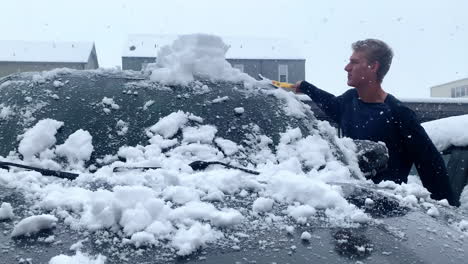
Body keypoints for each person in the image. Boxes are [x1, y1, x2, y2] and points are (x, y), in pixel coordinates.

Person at [293, 39, 458, 206]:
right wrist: (306, 87)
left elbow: (430, 165)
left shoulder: (399, 114)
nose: (347, 67)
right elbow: (330, 103)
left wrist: (448, 211)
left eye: (354, 62)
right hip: (349, 207)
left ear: (373, 67)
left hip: (388, 213)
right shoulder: (349, 101)